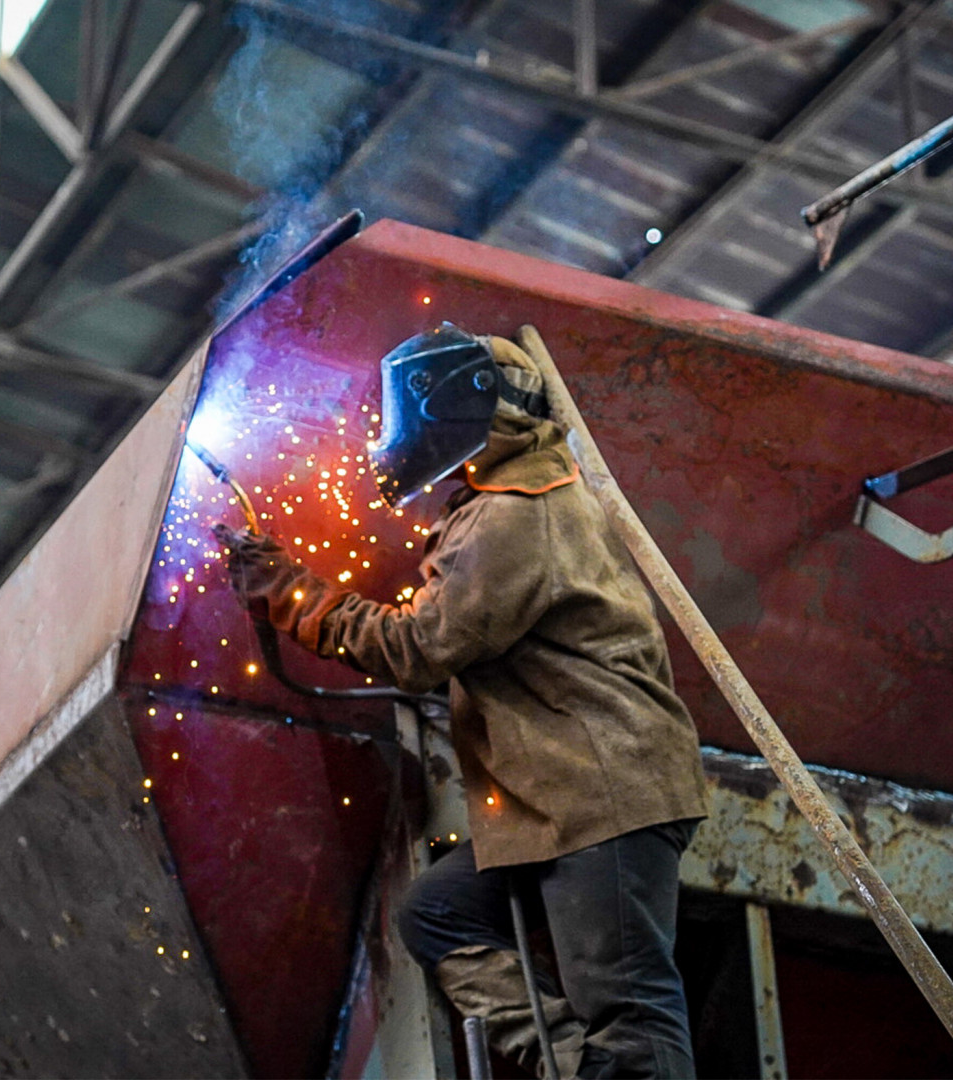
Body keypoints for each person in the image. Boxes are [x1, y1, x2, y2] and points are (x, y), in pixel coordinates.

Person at [215, 324, 709, 1078]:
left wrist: (289, 593)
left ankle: (618, 1069)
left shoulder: (520, 511)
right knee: (439, 912)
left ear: (465, 405)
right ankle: (583, 1071)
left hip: (604, 791)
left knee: (630, 1015)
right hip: (560, 798)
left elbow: (417, 649)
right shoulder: (509, 499)